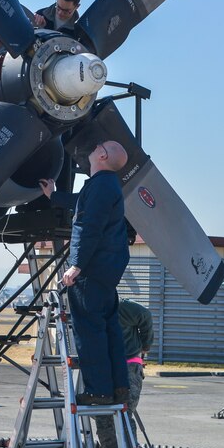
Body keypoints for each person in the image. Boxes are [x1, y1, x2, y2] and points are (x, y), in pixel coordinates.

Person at [39, 140, 130, 407]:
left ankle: (99, 391)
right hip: (107, 270)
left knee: (89, 330)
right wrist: (54, 195)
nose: (92, 145)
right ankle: (119, 387)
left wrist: (76, 265)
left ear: (101, 154)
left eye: (97, 145)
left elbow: (88, 226)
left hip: (91, 270)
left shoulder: (101, 186)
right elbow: (82, 203)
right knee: (110, 328)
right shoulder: (105, 185)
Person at [90, 299, 153, 448]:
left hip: (128, 367)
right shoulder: (94, 309)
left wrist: (145, 346)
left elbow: (145, 316)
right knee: (103, 418)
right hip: (106, 369)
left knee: (123, 415)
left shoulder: (123, 307)